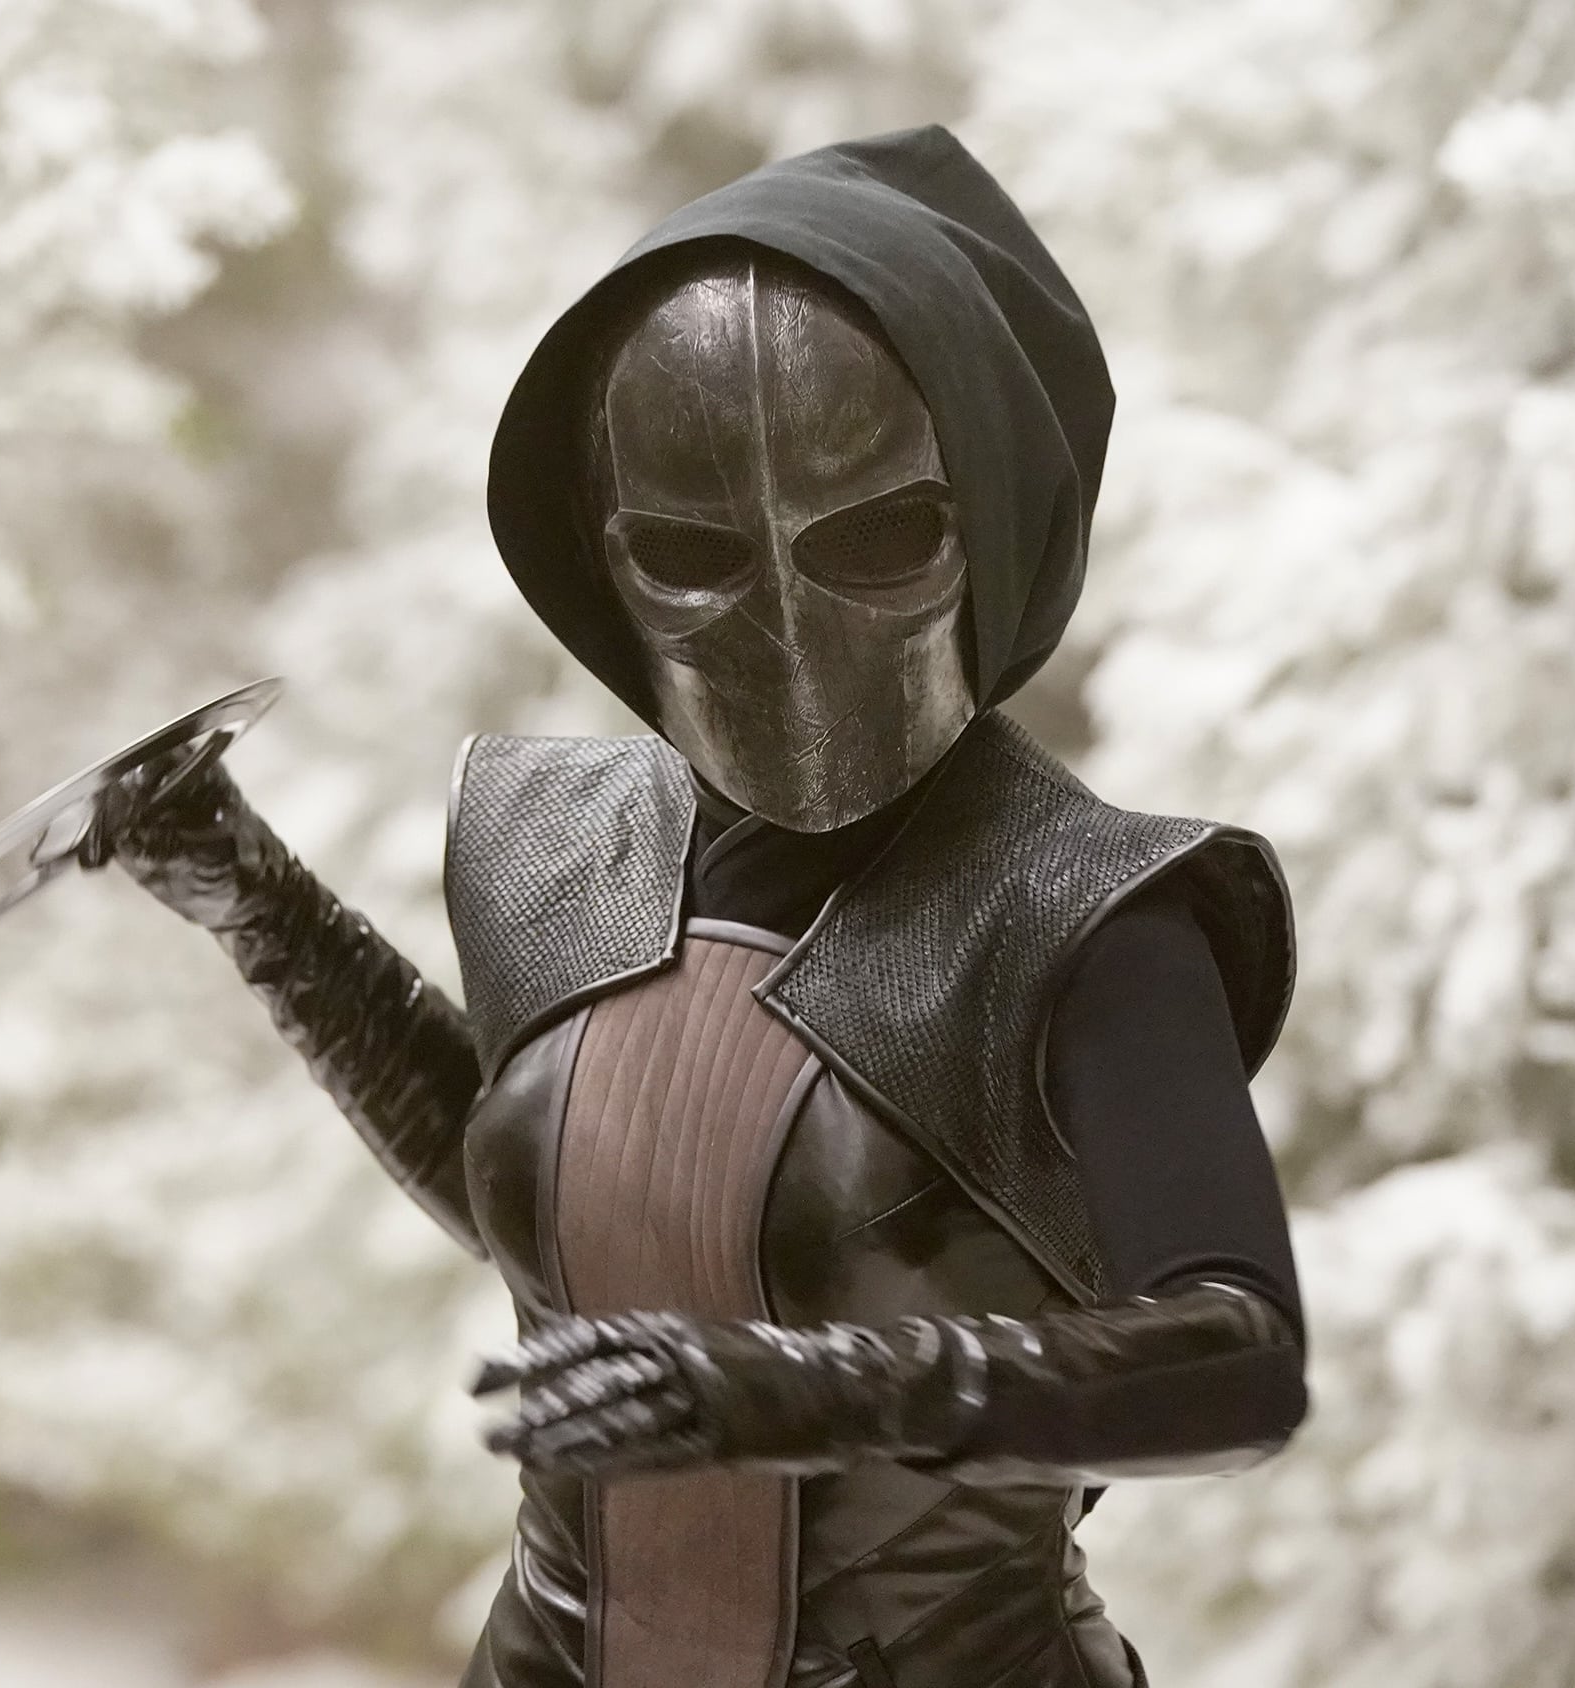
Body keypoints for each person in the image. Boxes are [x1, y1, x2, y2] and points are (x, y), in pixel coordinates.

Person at [78, 124, 1304, 1688]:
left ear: (986, 512)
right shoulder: (562, 842)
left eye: (871, 534)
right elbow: (561, 1205)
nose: (785, 626)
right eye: (697, 552)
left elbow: (1237, 1364)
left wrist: (815, 1390)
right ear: (610, 557)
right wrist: (261, 908)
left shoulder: (1087, 915)